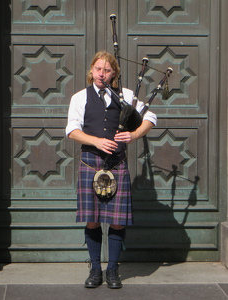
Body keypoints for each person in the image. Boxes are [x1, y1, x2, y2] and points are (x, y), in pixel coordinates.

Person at [66, 50, 157, 289]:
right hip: (90, 163)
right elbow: (71, 130)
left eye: (106, 70)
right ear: (91, 71)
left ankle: (113, 270)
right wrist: (95, 141)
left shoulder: (125, 95)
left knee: (117, 221)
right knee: (92, 219)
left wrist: (134, 134)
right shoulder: (80, 97)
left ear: (114, 73)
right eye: (98, 69)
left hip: (116, 164)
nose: (101, 74)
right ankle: (96, 269)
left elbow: (152, 118)